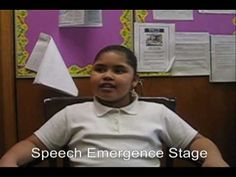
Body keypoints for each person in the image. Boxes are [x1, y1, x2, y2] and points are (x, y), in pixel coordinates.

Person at [0, 45, 229, 167]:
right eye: (100, 69)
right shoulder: (72, 114)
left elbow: (197, 142)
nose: (107, 76)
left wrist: (213, 158)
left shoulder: (157, 113)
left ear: (135, 80)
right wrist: (9, 160)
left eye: (119, 71)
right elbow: (33, 144)